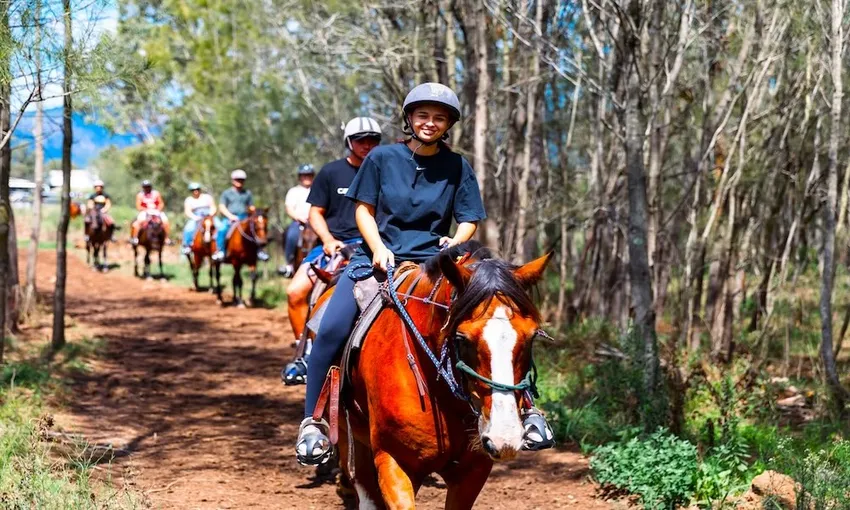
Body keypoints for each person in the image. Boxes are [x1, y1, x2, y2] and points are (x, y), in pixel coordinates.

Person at [296, 83, 552, 466]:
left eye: (439, 117)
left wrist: (455, 241)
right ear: (409, 119)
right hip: (377, 259)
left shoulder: (456, 166)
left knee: (502, 322)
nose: (430, 123)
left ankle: (529, 409)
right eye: (423, 116)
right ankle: (313, 422)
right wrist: (379, 247)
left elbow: (469, 219)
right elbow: (363, 211)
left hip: (438, 261)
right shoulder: (381, 158)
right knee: (331, 329)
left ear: (448, 123)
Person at [281, 116, 382, 384]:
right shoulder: (331, 172)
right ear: (349, 142)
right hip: (334, 244)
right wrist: (327, 239)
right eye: (361, 140)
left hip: (375, 246)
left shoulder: (385, 170)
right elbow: (316, 212)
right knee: (295, 292)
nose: (367, 145)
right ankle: (304, 353)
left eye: (373, 140)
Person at [212, 169, 270, 262]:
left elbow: (251, 206)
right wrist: (231, 216)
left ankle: (259, 251)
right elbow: (222, 207)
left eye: (242, 180)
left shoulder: (247, 193)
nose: (239, 181)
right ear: (233, 180)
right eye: (237, 179)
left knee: (256, 229)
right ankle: (220, 251)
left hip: (244, 217)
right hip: (230, 218)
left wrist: (255, 211)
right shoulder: (227, 193)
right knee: (222, 229)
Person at [279, 164, 316, 278]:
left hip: (316, 222)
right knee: (291, 235)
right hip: (299, 222)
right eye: (304, 176)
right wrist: (299, 218)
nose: (307, 178)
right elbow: (289, 209)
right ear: (300, 177)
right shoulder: (293, 191)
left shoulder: (317, 189)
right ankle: (289, 264)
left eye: (309, 175)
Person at [181, 182, 217, 255]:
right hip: (196, 217)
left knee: (220, 226)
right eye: (193, 190)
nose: (196, 191)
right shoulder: (189, 200)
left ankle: (219, 247)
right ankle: (187, 246)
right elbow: (187, 211)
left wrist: (211, 214)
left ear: (200, 190)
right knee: (188, 229)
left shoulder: (207, 197)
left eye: (197, 189)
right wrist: (194, 217)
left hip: (208, 217)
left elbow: (213, 207)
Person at [131, 180, 170, 244]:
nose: (147, 188)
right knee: (137, 223)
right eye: (145, 187)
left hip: (156, 211)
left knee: (165, 222)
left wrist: (158, 209)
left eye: (148, 187)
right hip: (145, 211)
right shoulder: (140, 195)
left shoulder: (156, 193)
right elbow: (138, 206)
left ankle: (166, 238)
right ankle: (135, 238)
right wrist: (146, 209)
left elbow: (161, 203)